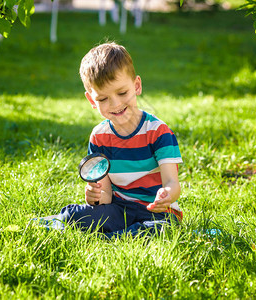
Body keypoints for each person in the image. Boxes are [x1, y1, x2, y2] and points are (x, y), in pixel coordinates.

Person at [39, 42, 183, 237]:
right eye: (102, 99)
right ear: (91, 100)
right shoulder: (99, 137)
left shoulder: (158, 132)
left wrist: (167, 195)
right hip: (119, 210)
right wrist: (94, 197)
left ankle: (115, 237)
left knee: (160, 229)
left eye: (122, 93)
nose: (115, 104)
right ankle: (108, 232)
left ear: (137, 86)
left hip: (157, 213)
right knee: (76, 215)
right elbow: (105, 196)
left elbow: (172, 183)